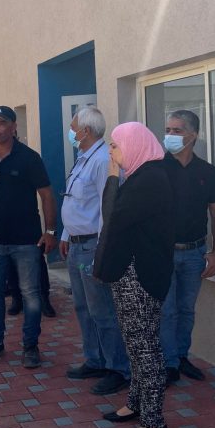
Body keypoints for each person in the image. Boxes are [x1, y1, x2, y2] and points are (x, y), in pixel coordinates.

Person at [94, 122, 174, 428]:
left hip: (141, 276)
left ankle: (153, 422)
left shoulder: (149, 179)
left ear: (134, 145)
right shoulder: (142, 176)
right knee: (135, 342)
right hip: (131, 273)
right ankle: (136, 402)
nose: (111, 151)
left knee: (145, 347)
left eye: (115, 145)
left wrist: (112, 177)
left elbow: (112, 216)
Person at [0, 106, 57, 369]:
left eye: (2, 123)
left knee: (31, 294)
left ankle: (30, 346)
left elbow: (47, 194)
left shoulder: (29, 158)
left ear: (14, 127)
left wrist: (50, 231)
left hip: (26, 241)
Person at [61, 106, 131, 395]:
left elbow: (108, 209)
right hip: (77, 244)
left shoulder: (102, 161)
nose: (70, 132)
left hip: (92, 247)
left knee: (102, 311)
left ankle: (118, 369)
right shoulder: (83, 159)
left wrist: (103, 250)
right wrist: (65, 233)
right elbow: (74, 202)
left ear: (85, 131)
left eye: (73, 128)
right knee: (83, 307)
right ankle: (95, 360)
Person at [161, 110, 215, 386]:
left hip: (194, 253)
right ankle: (168, 363)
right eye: (168, 130)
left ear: (193, 135)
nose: (170, 135)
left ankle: (181, 356)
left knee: (186, 309)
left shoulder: (206, 172)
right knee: (167, 311)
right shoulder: (157, 168)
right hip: (163, 253)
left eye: (177, 131)